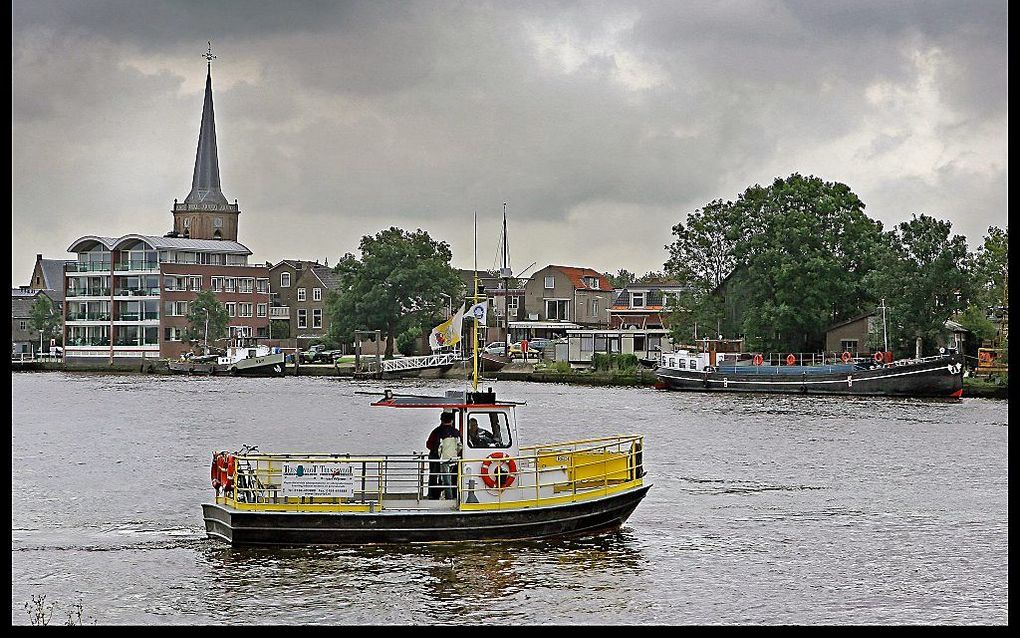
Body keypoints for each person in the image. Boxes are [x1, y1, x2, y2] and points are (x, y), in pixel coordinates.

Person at [426, 411, 459, 499]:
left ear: (441, 420)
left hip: (437, 458)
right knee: (452, 477)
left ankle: (433, 495)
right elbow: (460, 445)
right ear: (452, 421)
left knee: (434, 476)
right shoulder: (455, 432)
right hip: (453, 459)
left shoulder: (436, 432)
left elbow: (429, 444)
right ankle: (453, 495)